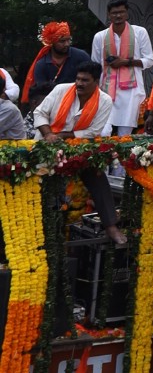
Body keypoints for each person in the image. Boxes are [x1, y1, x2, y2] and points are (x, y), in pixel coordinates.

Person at [32, 58, 128, 243]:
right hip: (48, 146)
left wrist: (61, 136)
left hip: (79, 148)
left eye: (85, 80)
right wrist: (49, 135)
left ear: (96, 82)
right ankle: (38, 231)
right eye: (78, 79)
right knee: (42, 187)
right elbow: (40, 113)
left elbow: (92, 132)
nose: (79, 83)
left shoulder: (105, 100)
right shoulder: (61, 90)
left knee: (97, 175)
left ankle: (110, 226)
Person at [90, 0, 153, 131]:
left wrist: (126, 62)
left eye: (121, 12)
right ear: (108, 15)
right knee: (103, 132)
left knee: (125, 133)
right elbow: (95, 66)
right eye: (114, 13)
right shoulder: (100, 37)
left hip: (131, 91)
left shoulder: (140, 32)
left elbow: (149, 60)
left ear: (127, 13)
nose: (118, 15)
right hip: (106, 90)